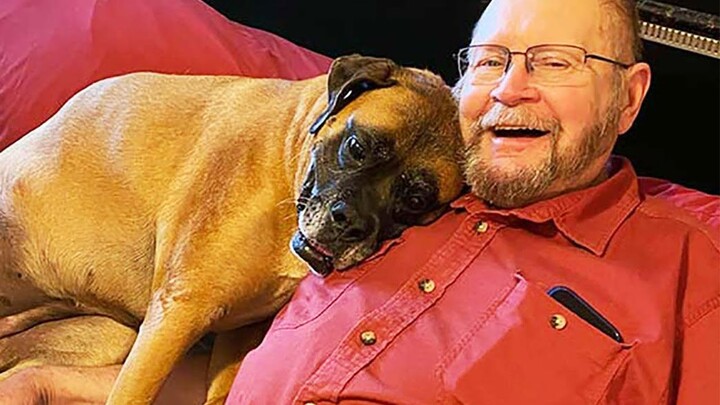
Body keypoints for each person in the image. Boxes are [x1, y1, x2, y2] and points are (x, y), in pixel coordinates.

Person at [1, 0, 718, 403]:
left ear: (630, 95)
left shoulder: (688, 263)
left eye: (556, 63)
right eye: (491, 61)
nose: (510, 89)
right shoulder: (419, 170)